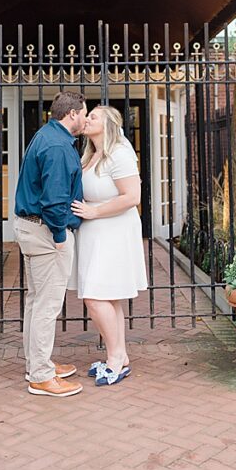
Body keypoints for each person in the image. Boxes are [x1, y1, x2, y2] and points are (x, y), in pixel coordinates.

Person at [13, 91, 86, 397]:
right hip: (46, 232)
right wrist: (59, 236)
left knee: (35, 301)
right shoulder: (58, 146)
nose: (85, 118)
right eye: (84, 113)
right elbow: (54, 199)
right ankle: (41, 375)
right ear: (72, 114)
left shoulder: (46, 135)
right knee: (47, 305)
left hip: (31, 227)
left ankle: (37, 364)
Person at [71, 105, 148, 387]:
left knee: (94, 296)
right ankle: (121, 355)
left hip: (113, 230)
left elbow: (132, 196)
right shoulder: (90, 155)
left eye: (93, 116)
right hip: (95, 232)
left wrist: (94, 212)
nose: (87, 118)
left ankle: (115, 358)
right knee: (109, 296)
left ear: (109, 124)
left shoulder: (120, 153)